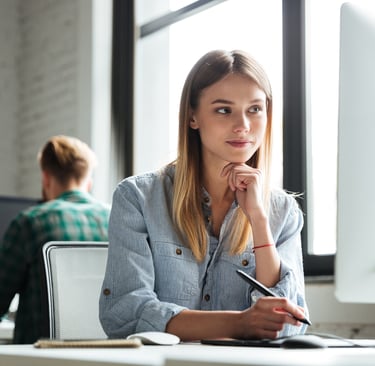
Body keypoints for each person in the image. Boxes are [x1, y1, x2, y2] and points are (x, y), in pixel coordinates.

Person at [99, 50, 309, 341]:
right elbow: (125, 313)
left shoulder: (282, 211)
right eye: (224, 110)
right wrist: (238, 324)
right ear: (192, 117)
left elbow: (289, 322)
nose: (243, 126)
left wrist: (259, 221)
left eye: (255, 109)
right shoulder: (138, 198)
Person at [0, 135, 110, 344]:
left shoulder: (30, 222)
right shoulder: (118, 219)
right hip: (110, 354)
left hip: (40, 356)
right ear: (89, 182)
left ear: (46, 178)